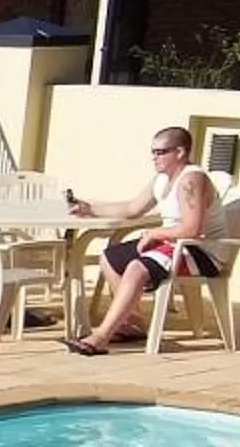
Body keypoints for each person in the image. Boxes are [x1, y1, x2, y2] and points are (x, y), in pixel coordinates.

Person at [66, 125, 222, 356]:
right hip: (174, 244)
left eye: (161, 152)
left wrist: (154, 234)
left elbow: (192, 228)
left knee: (136, 269)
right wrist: (89, 208)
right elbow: (132, 208)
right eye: (153, 152)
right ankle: (132, 323)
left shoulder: (191, 180)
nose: (154, 158)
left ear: (180, 152)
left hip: (201, 251)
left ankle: (100, 337)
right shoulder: (161, 179)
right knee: (111, 258)